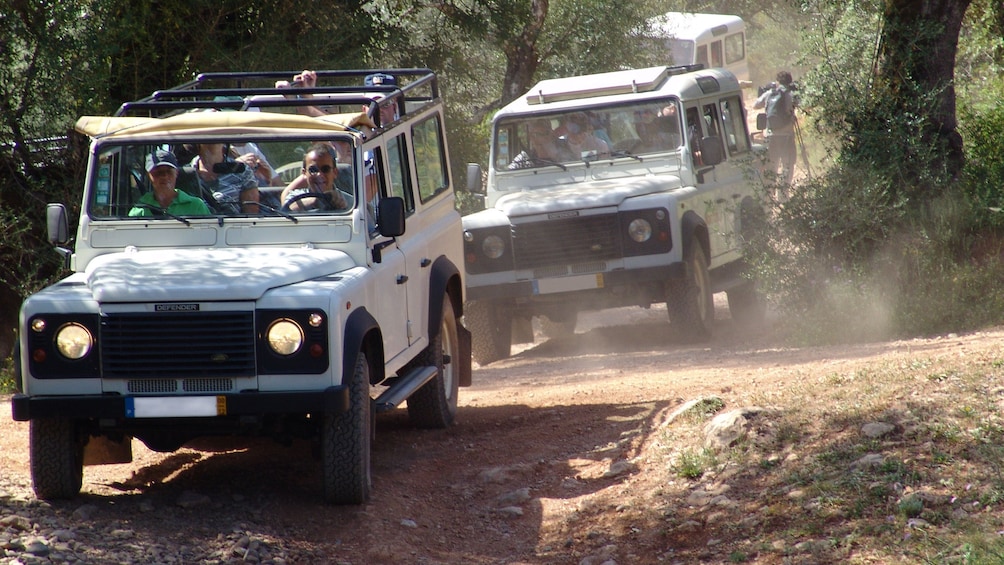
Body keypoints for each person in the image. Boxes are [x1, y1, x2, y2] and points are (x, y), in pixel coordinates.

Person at [129, 150, 211, 217]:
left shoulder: (197, 206)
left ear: (176, 173)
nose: (164, 176)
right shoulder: (139, 210)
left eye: (169, 171)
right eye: (158, 173)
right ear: (148, 176)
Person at [754, 70, 798, 188]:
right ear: (789, 82)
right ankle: (783, 195)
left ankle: (770, 193)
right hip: (786, 136)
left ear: (777, 81)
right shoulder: (789, 94)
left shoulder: (770, 93)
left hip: (771, 136)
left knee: (772, 165)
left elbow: (755, 105)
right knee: (787, 165)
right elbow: (800, 102)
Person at [187, 143, 260, 214]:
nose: (212, 138)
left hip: (234, 225)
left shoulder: (241, 170)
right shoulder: (184, 173)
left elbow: (251, 215)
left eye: (217, 134)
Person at [280, 143, 349, 211]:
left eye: (325, 169)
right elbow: (288, 209)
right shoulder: (295, 197)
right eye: (313, 170)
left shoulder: (350, 202)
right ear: (304, 173)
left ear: (335, 172)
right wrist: (317, 201)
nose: (319, 174)